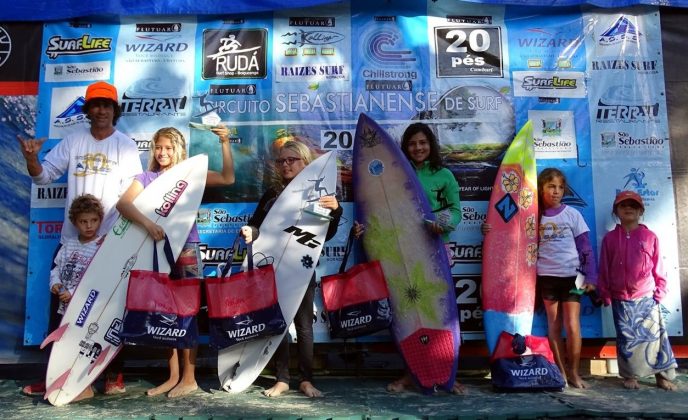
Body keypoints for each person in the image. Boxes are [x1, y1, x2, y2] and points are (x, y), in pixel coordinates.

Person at [18, 81, 142, 395]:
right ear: (87, 111)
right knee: (61, 311)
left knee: (110, 311)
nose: (101, 110)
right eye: (95, 105)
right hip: (72, 242)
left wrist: (123, 235)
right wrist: (32, 159)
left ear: (116, 110)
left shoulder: (125, 145)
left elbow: (135, 192)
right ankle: (53, 378)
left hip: (110, 245)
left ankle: (112, 375)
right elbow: (44, 175)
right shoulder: (73, 141)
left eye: (107, 105)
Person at [116, 126, 235, 398]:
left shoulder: (190, 176)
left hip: (187, 249)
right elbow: (124, 205)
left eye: (169, 148)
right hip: (154, 248)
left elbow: (228, 179)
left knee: (187, 312)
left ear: (178, 150)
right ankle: (173, 377)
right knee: (164, 312)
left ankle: (189, 379)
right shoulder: (146, 177)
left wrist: (225, 141)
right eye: (158, 147)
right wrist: (147, 224)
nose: (162, 153)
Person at [357, 122, 464, 394]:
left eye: (423, 143)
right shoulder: (393, 175)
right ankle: (411, 373)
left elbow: (455, 210)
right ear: (405, 147)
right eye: (413, 143)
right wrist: (363, 229)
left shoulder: (443, 176)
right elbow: (379, 210)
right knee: (405, 313)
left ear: (431, 145)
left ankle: (449, 372)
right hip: (397, 254)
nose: (418, 148)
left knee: (441, 312)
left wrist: (443, 222)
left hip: (434, 251)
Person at [239, 140, 342, 398]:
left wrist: (336, 211)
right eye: (281, 160)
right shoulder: (272, 193)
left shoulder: (318, 195)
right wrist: (249, 232)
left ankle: (306, 380)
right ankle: (282, 379)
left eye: (292, 160)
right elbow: (256, 225)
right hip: (272, 268)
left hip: (302, 267)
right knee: (278, 324)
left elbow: (325, 235)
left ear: (305, 163)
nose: (286, 164)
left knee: (304, 325)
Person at [22, 194, 106, 400]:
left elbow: (99, 280)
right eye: (84, 221)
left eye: (93, 221)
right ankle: (57, 383)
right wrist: (56, 284)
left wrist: (76, 295)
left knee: (83, 348)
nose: (89, 226)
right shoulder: (67, 244)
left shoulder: (102, 247)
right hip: (63, 308)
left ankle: (84, 387)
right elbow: (56, 269)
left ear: (100, 220)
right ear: (75, 222)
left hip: (86, 313)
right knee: (61, 347)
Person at [597, 191, 677, 391]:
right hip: (620, 298)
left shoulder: (649, 236)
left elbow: (658, 266)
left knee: (655, 338)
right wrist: (605, 292)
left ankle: (662, 375)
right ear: (616, 211)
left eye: (633, 205)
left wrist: (660, 290)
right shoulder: (610, 239)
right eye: (623, 205)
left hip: (647, 297)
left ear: (641, 210)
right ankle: (630, 375)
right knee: (627, 339)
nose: (628, 208)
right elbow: (604, 267)